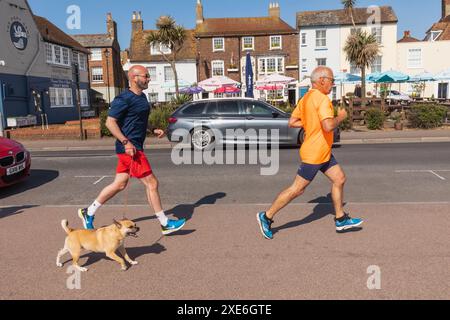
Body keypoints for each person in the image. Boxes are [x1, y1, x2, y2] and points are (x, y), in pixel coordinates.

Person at [257, 66, 363, 240]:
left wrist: (310, 124)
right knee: (297, 189)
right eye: (331, 80)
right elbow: (328, 125)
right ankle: (266, 216)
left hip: (322, 151)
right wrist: (341, 117)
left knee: (339, 178)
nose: (332, 83)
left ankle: (340, 219)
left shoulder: (305, 98)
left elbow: (292, 122)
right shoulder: (322, 99)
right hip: (315, 153)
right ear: (321, 80)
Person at [78, 65, 186, 235]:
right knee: (152, 183)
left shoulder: (142, 97)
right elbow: (110, 122)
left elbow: (138, 119)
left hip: (132, 146)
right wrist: (126, 142)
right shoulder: (123, 99)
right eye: (146, 76)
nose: (149, 78)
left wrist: (152, 128)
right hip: (130, 149)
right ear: (134, 78)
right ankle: (165, 223)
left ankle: (88, 212)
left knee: (120, 184)